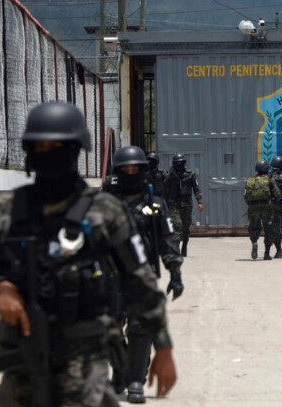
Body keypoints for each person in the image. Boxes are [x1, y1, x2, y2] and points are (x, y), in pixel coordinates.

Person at [0, 101, 176, 406]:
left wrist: (164, 348)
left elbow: (141, 281)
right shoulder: (8, 210)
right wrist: (0, 287)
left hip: (84, 359)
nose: (49, 153)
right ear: (29, 151)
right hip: (23, 356)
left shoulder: (104, 211)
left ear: (76, 150)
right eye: (41, 146)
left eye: (58, 146)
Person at [105, 146, 184, 403]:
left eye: (135, 169)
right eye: (125, 169)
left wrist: (175, 272)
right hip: (109, 278)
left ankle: (136, 381)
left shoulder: (154, 205)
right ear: (117, 172)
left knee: (140, 331)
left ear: (142, 171)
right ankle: (119, 376)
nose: (130, 173)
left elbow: (167, 239)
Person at [165, 154, 203, 257]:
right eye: (177, 163)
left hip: (186, 203)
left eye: (181, 162)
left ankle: (184, 246)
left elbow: (196, 189)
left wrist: (199, 202)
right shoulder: (169, 175)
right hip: (174, 203)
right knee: (177, 225)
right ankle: (176, 248)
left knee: (186, 227)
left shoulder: (190, 174)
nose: (179, 164)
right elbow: (165, 191)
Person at [244, 160, 282, 260]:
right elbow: (277, 194)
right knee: (269, 230)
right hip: (267, 207)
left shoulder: (250, 180)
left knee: (254, 228)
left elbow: (245, 196)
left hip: (253, 208)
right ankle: (266, 253)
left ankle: (254, 242)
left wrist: (251, 205)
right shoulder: (269, 179)